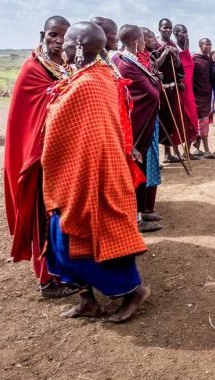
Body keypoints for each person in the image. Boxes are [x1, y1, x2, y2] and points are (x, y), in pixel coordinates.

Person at [42, 22, 149, 323]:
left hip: (92, 176)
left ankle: (134, 292)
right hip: (72, 176)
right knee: (65, 245)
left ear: (77, 47)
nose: (61, 46)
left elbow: (86, 135)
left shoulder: (91, 83)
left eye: (66, 42)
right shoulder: (88, 77)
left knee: (90, 243)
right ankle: (87, 300)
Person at [4, 15, 76, 298]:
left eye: (64, 37)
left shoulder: (66, 67)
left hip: (60, 154)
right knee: (43, 217)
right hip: (38, 157)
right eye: (53, 35)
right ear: (42, 35)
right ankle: (47, 279)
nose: (58, 41)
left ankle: (63, 271)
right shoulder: (32, 69)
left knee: (61, 216)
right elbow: (31, 116)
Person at [113, 25, 162, 234]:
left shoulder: (129, 61)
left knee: (140, 168)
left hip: (143, 124)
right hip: (134, 127)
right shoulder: (125, 64)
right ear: (135, 42)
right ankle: (134, 218)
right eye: (143, 39)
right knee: (132, 169)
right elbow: (151, 94)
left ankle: (142, 211)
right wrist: (155, 85)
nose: (145, 43)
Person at [155, 18, 189, 164]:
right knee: (159, 122)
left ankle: (168, 154)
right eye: (165, 28)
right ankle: (156, 156)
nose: (167, 30)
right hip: (159, 88)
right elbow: (155, 65)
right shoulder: (155, 45)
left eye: (169, 28)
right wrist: (164, 53)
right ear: (159, 29)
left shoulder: (173, 44)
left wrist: (175, 56)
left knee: (171, 121)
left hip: (172, 87)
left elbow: (178, 66)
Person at [138, 28, 162, 224]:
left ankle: (148, 207)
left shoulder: (148, 59)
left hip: (152, 119)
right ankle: (143, 210)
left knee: (152, 161)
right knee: (143, 164)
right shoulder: (130, 62)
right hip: (140, 123)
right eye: (149, 37)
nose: (154, 40)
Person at [174, 24, 200, 158]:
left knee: (191, 119)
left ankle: (186, 151)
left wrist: (186, 51)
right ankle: (175, 153)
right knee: (177, 120)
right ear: (176, 34)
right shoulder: (173, 50)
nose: (185, 35)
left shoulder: (188, 51)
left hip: (189, 92)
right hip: (178, 91)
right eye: (182, 32)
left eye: (186, 32)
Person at [191, 37, 215, 159]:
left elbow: (212, 75)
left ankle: (198, 148)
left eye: (210, 44)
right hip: (196, 96)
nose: (209, 46)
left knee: (203, 121)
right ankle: (206, 150)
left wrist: (213, 62)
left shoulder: (208, 58)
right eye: (207, 44)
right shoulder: (194, 58)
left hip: (207, 94)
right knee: (199, 122)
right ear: (201, 45)